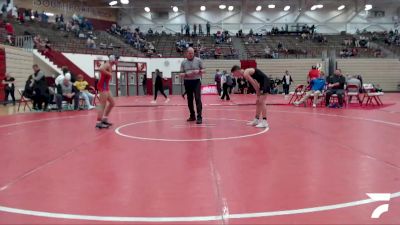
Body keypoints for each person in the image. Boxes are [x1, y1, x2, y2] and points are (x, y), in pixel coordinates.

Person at [180, 47, 205, 124]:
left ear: (194, 53)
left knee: (198, 99)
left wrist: (198, 71)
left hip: (196, 82)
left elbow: (204, 70)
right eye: (189, 53)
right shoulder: (183, 62)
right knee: (190, 100)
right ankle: (192, 115)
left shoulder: (198, 60)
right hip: (187, 82)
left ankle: (199, 117)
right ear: (186, 53)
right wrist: (187, 74)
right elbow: (180, 74)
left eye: (192, 53)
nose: (191, 55)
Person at [96, 55, 118, 129]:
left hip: (106, 86)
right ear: (113, 60)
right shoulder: (107, 64)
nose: (118, 61)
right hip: (103, 87)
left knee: (112, 103)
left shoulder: (110, 65)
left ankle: (104, 119)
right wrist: (109, 74)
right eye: (117, 59)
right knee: (103, 105)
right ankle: (98, 123)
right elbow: (101, 68)